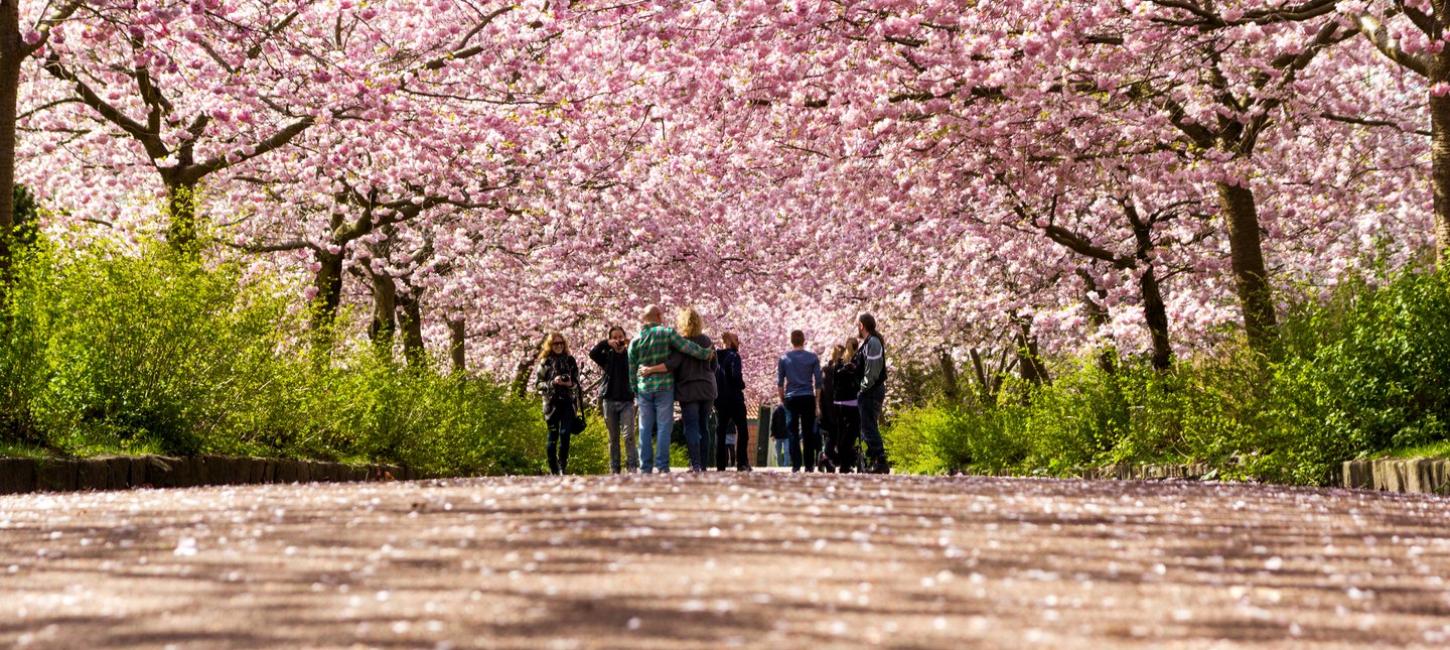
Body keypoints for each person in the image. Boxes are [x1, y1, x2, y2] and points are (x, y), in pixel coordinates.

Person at [628, 304, 714, 474]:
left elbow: (632, 370)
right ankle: (663, 466)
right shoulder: (668, 334)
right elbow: (689, 349)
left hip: (646, 388)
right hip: (667, 387)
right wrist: (706, 354)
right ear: (659, 316)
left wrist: (635, 390)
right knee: (665, 427)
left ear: (644, 319)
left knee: (645, 428)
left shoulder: (635, 340)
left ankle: (645, 467)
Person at [589, 326, 637, 474]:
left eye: (620, 337)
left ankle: (632, 467)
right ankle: (615, 468)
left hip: (627, 402)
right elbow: (592, 353)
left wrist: (632, 343)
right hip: (609, 400)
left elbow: (643, 357)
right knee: (613, 438)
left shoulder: (631, 354)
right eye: (614, 337)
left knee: (629, 435)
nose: (618, 340)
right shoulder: (607, 356)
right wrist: (606, 343)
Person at [534, 331, 580, 475]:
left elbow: (577, 383)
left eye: (561, 343)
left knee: (565, 434)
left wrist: (571, 384)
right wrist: (552, 383)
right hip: (550, 404)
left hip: (567, 402)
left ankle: (562, 465)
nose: (559, 346)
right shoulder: (544, 362)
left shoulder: (570, 360)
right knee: (552, 437)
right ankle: (554, 469)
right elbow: (538, 385)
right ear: (550, 345)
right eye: (555, 343)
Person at [777, 330, 822, 472]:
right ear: (804, 340)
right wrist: (817, 402)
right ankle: (809, 465)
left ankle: (796, 464)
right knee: (808, 432)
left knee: (792, 432)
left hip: (791, 398)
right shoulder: (813, 358)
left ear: (791, 341)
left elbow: (779, 383)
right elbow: (818, 382)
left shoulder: (784, 358)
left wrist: (783, 398)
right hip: (808, 396)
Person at [854, 313, 889, 473]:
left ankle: (881, 461)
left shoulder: (873, 342)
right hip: (870, 390)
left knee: (868, 427)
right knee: (868, 426)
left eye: (857, 325)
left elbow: (873, 370)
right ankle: (876, 460)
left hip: (871, 390)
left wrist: (863, 387)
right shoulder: (869, 342)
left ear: (862, 325)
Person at [713, 332, 751, 471]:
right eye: (736, 339)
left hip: (719, 399)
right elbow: (735, 375)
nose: (739, 342)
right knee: (743, 430)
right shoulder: (734, 356)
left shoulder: (715, 356)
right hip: (734, 398)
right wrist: (742, 384)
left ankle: (720, 464)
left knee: (721, 431)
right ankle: (741, 463)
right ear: (729, 341)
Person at [828, 337, 862, 472]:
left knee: (847, 434)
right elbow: (835, 382)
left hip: (847, 402)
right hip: (844, 402)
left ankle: (846, 462)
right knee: (845, 434)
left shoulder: (857, 361)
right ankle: (845, 462)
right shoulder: (840, 364)